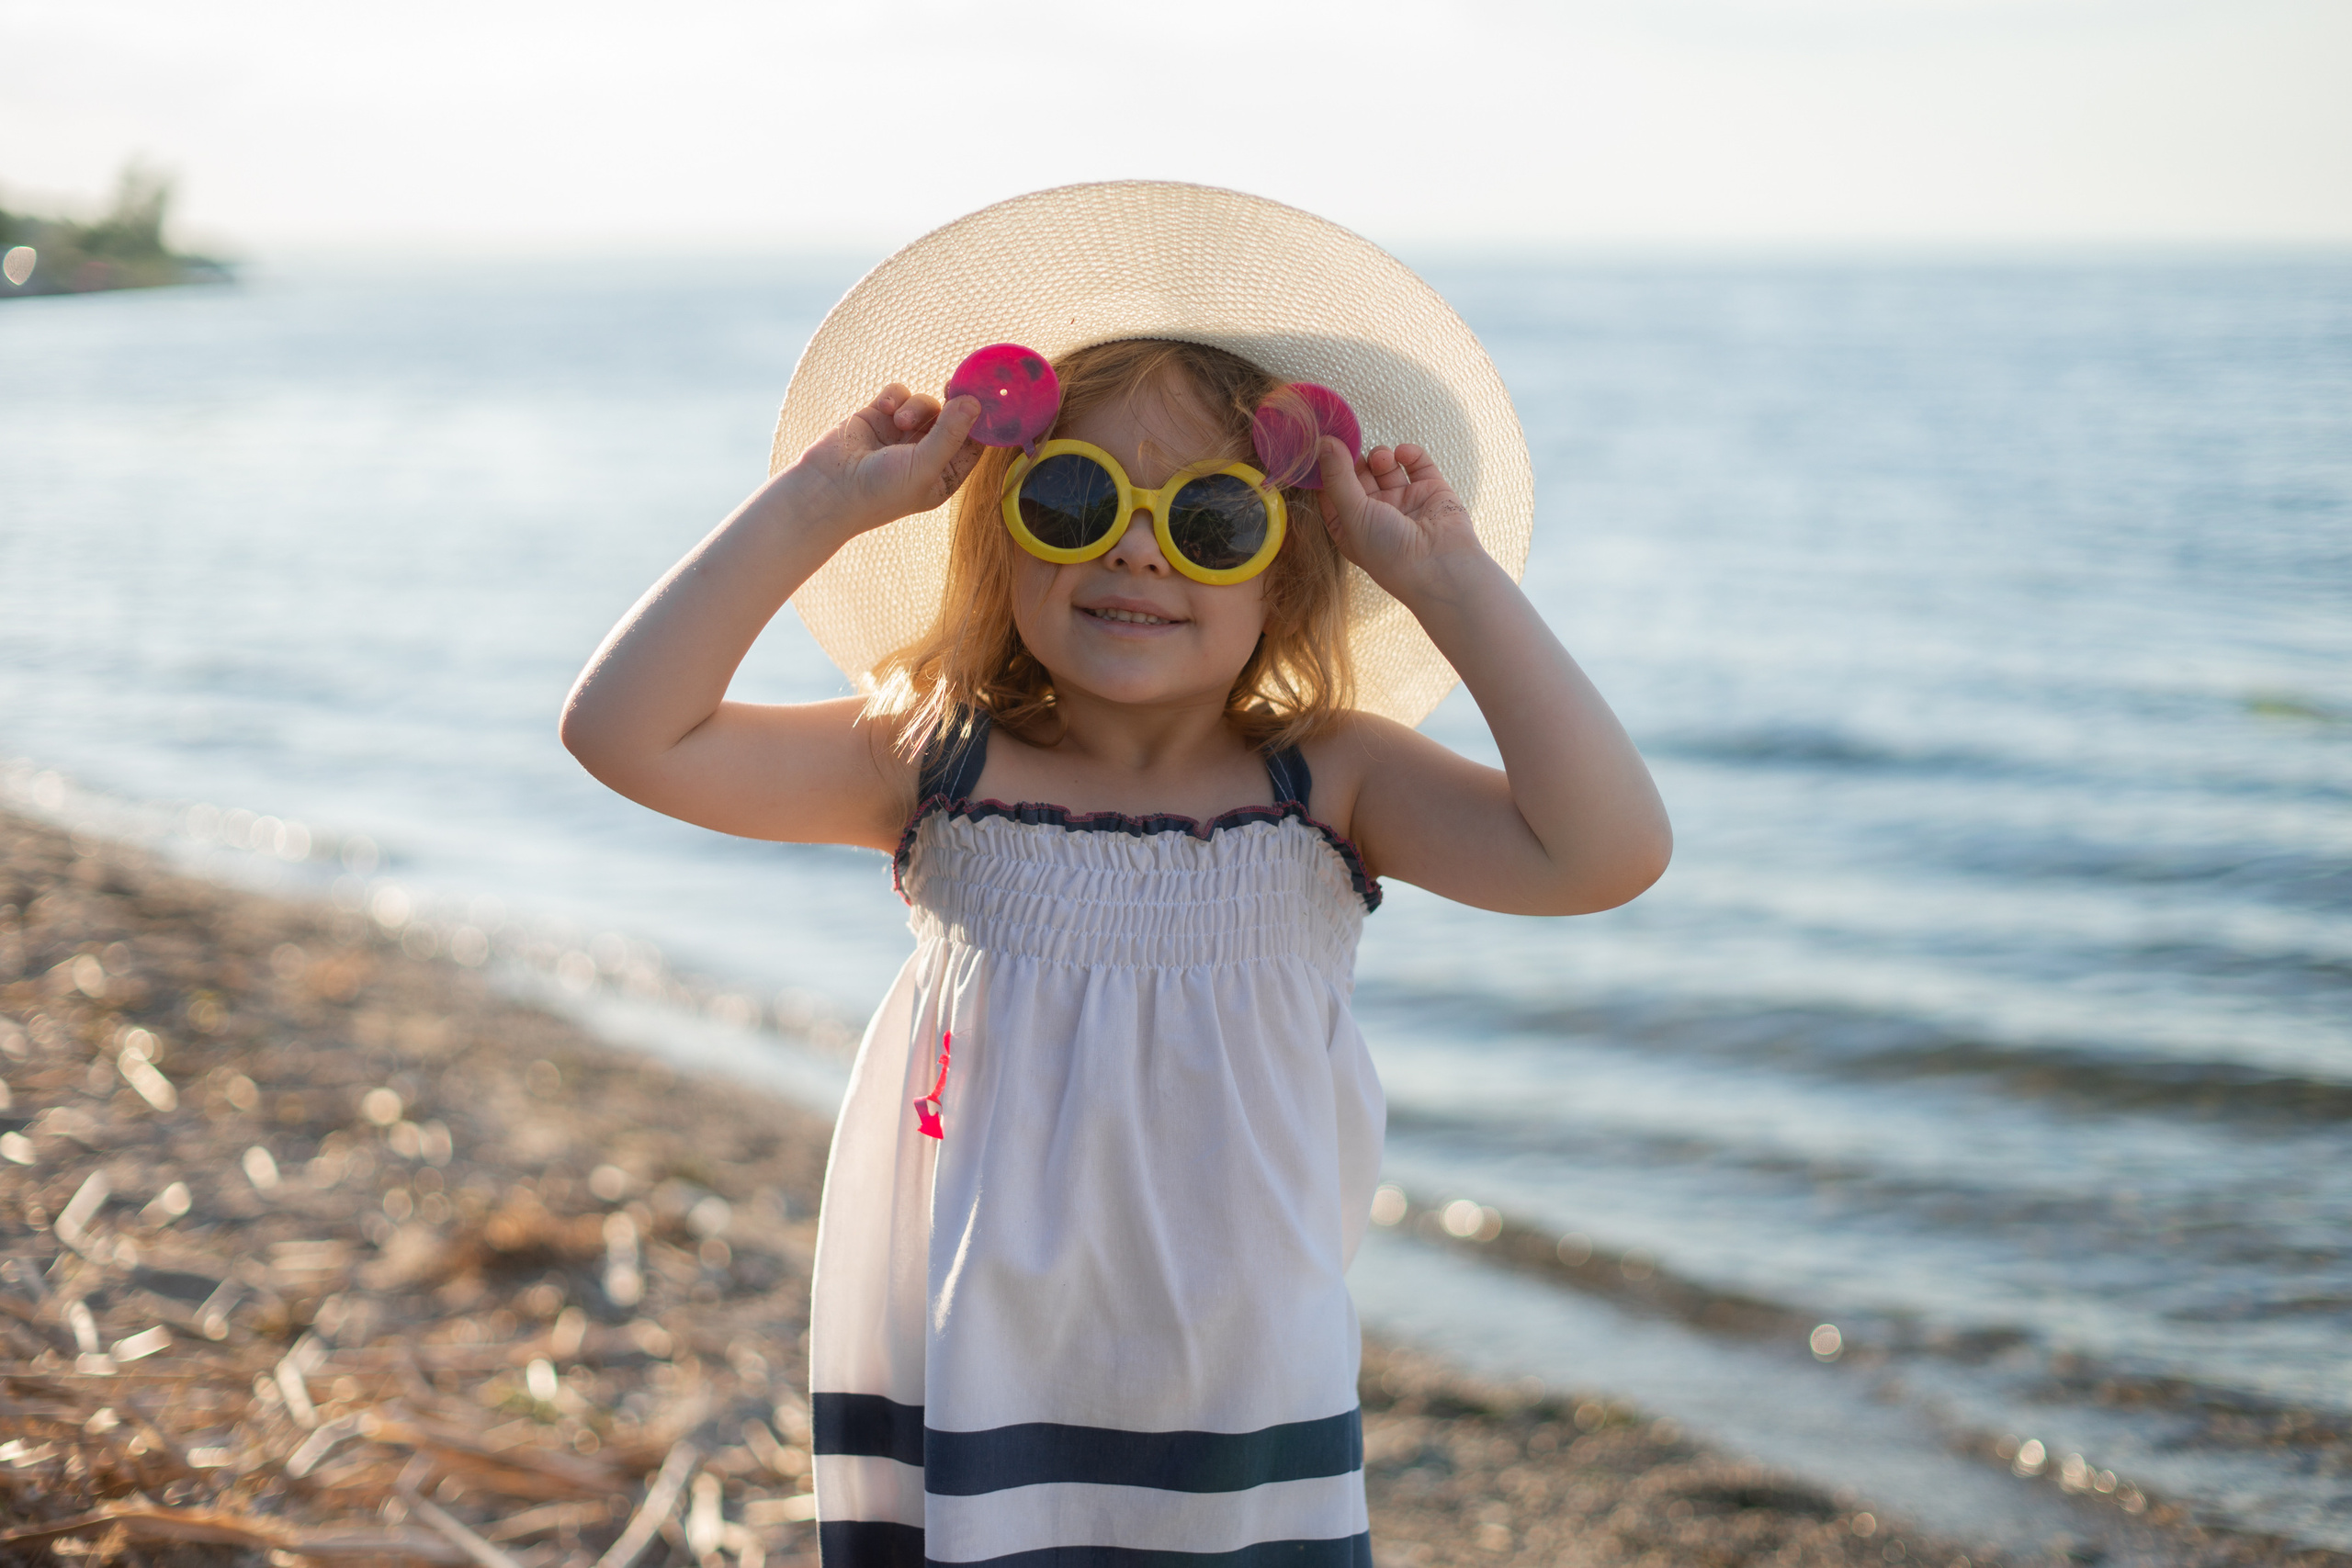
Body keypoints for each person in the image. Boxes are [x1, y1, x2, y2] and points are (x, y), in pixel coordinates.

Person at [560, 183, 1670, 1567]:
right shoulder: (935, 764)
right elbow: (623, 731)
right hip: (981, 1364)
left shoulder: (1332, 783)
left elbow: (1608, 852)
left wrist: (1448, 580)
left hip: (1245, 1382)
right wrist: (825, 506)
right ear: (1000, 531)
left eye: (1211, 520)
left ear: (1291, 573)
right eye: (1078, 498)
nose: (1138, 545)